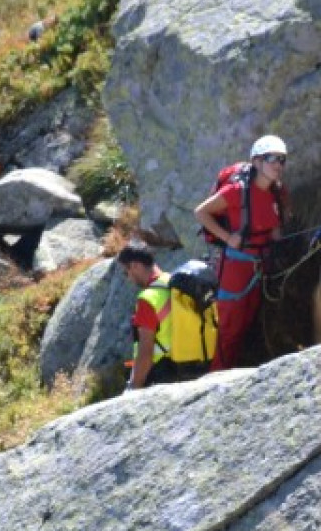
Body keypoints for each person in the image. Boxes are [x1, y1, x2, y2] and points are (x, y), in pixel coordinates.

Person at [194, 135, 288, 371]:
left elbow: (275, 227)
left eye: (282, 159)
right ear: (256, 162)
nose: (278, 164)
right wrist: (228, 238)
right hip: (236, 267)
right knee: (229, 326)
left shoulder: (278, 192)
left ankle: (233, 370)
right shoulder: (237, 191)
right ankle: (216, 376)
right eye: (272, 159)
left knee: (247, 321)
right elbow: (201, 212)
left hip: (261, 265)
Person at [118, 242, 216, 390]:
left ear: (135, 266)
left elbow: (146, 352)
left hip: (163, 375)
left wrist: (134, 386)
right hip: (195, 365)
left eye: (126, 272)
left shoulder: (148, 299)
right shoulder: (174, 282)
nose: (129, 279)